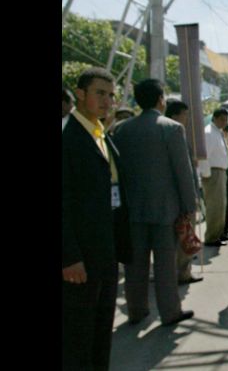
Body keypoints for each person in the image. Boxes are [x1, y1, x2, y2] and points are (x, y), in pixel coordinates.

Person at [112, 78, 196, 327]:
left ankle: (137, 310)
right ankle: (170, 312)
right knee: (165, 265)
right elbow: (183, 172)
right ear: (161, 100)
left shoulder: (121, 129)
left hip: (132, 210)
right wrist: (189, 208)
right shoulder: (172, 128)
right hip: (165, 209)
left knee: (134, 265)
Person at [62, 67, 125, 370]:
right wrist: (69, 256)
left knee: (101, 331)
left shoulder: (100, 134)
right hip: (80, 258)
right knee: (78, 338)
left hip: (105, 252)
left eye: (111, 95)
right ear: (80, 94)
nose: (107, 101)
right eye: (100, 93)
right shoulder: (69, 138)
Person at [164, 99, 204, 286]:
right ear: (175, 115)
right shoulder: (176, 132)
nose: (187, 118)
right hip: (181, 197)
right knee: (185, 236)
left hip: (168, 198)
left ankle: (172, 271)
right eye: (185, 114)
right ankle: (183, 273)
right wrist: (192, 199)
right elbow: (183, 171)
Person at [198, 108, 228, 247]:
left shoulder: (217, 132)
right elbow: (204, 156)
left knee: (220, 206)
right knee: (214, 206)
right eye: (222, 119)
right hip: (213, 172)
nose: (224, 122)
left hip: (221, 172)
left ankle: (217, 234)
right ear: (215, 118)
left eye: (226, 120)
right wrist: (206, 175)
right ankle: (211, 237)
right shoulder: (209, 132)